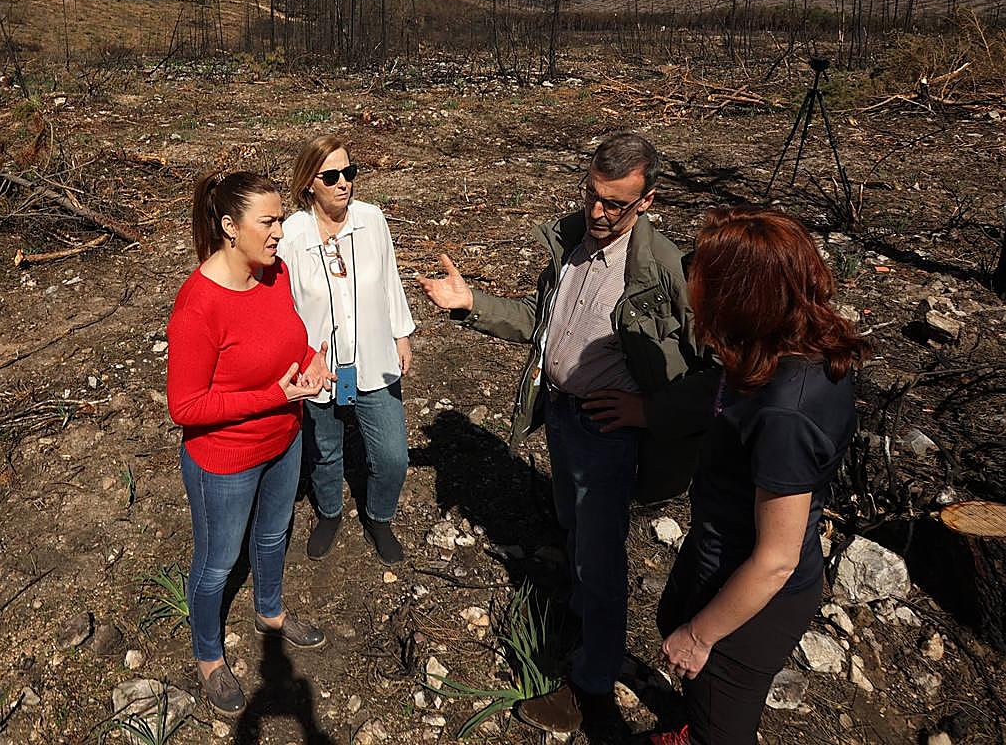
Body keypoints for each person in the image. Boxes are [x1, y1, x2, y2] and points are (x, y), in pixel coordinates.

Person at [418, 132, 699, 736]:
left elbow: (708, 371)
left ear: (648, 201)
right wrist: (473, 304)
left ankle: (590, 686)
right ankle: (578, 612)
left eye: (615, 204)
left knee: (601, 561)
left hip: (608, 431)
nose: (598, 212)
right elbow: (542, 325)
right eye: (592, 195)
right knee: (573, 528)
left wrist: (648, 412)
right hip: (564, 419)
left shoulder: (665, 269)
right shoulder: (573, 241)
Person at [652, 206, 865, 745]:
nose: (692, 288)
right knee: (672, 627)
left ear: (743, 301)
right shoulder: (788, 348)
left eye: (704, 281)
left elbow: (775, 560)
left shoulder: (785, 414)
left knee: (720, 721)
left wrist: (700, 636)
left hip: (752, 589)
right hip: (720, 548)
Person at [167, 170, 335, 717]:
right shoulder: (198, 304)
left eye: (281, 218)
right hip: (224, 460)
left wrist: (313, 362)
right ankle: (209, 656)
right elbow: (185, 407)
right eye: (269, 221)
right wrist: (271, 395)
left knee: (272, 534)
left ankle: (270, 612)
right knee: (217, 564)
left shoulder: (275, 274)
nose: (280, 231)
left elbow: (292, 339)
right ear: (228, 226)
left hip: (284, 437)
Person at [279, 136, 416, 566]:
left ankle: (378, 516)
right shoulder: (292, 235)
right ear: (308, 185)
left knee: (393, 455)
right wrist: (298, 357)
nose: (345, 184)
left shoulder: (371, 220)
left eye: (350, 173)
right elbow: (281, 303)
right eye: (333, 176)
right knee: (325, 450)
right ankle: (330, 513)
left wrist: (401, 332)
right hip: (319, 366)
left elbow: (390, 278)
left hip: (372, 357)